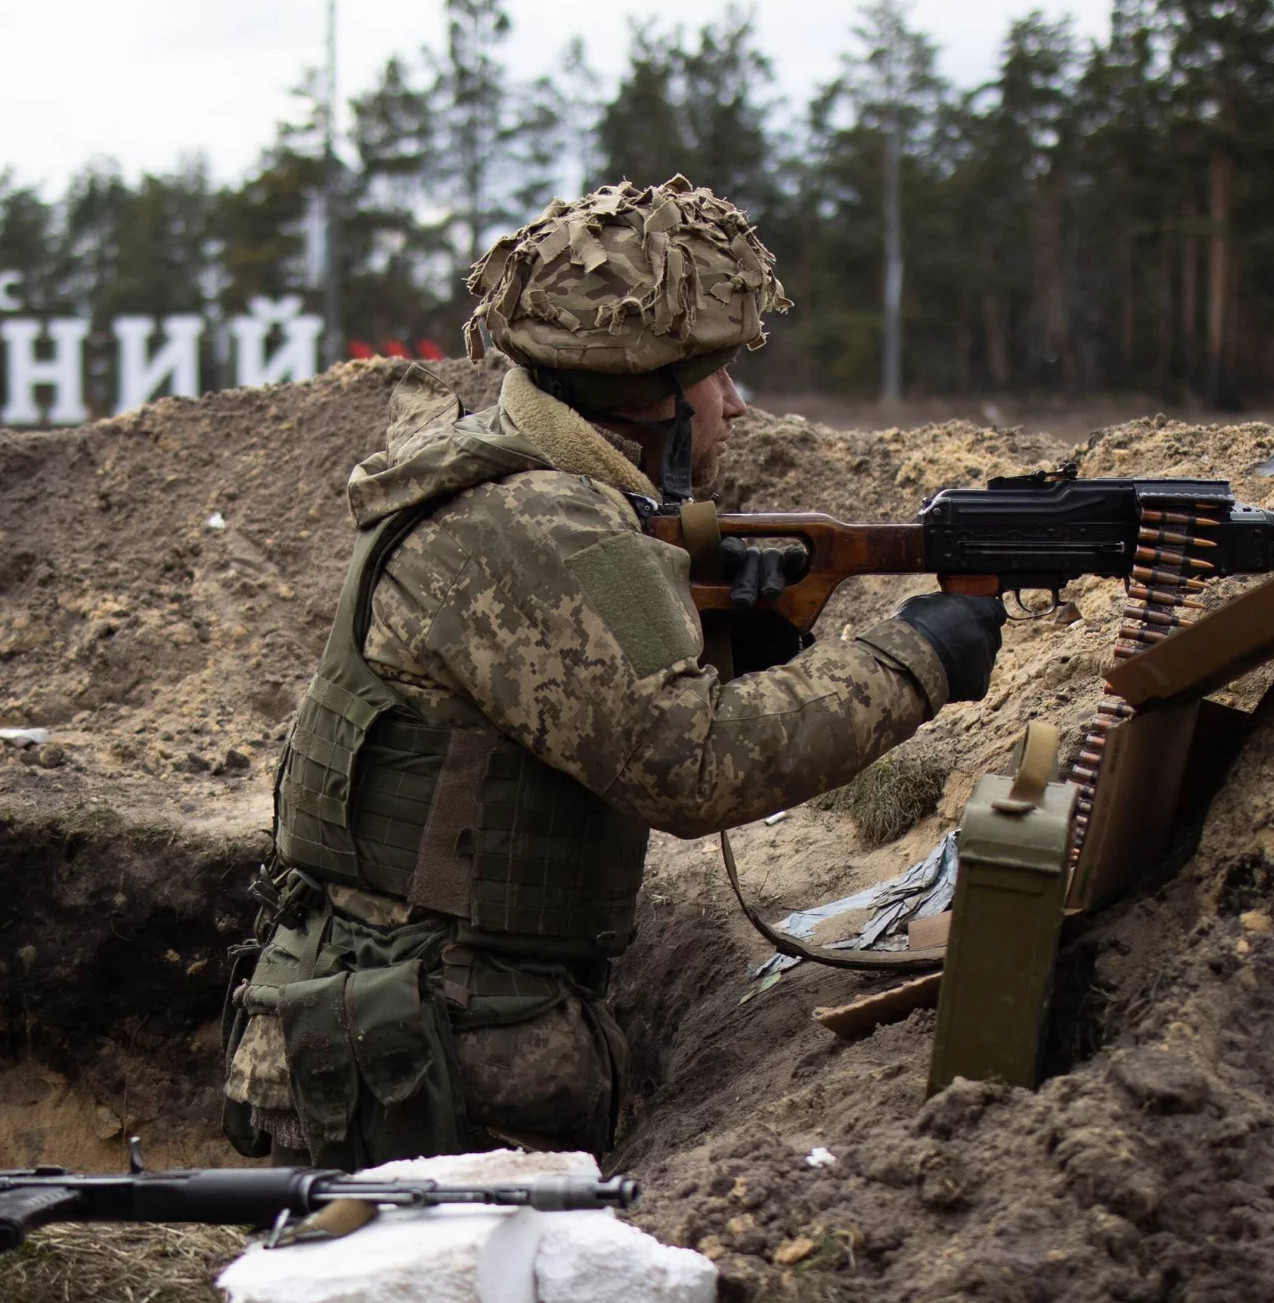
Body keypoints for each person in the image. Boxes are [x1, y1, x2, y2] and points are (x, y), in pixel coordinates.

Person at [221, 177, 1005, 1166]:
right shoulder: (542, 526)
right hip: (422, 1055)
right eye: (713, 376)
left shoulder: (515, 484)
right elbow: (689, 765)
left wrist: (740, 642)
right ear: (644, 397)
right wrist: (920, 654)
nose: (732, 402)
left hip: (397, 1016)